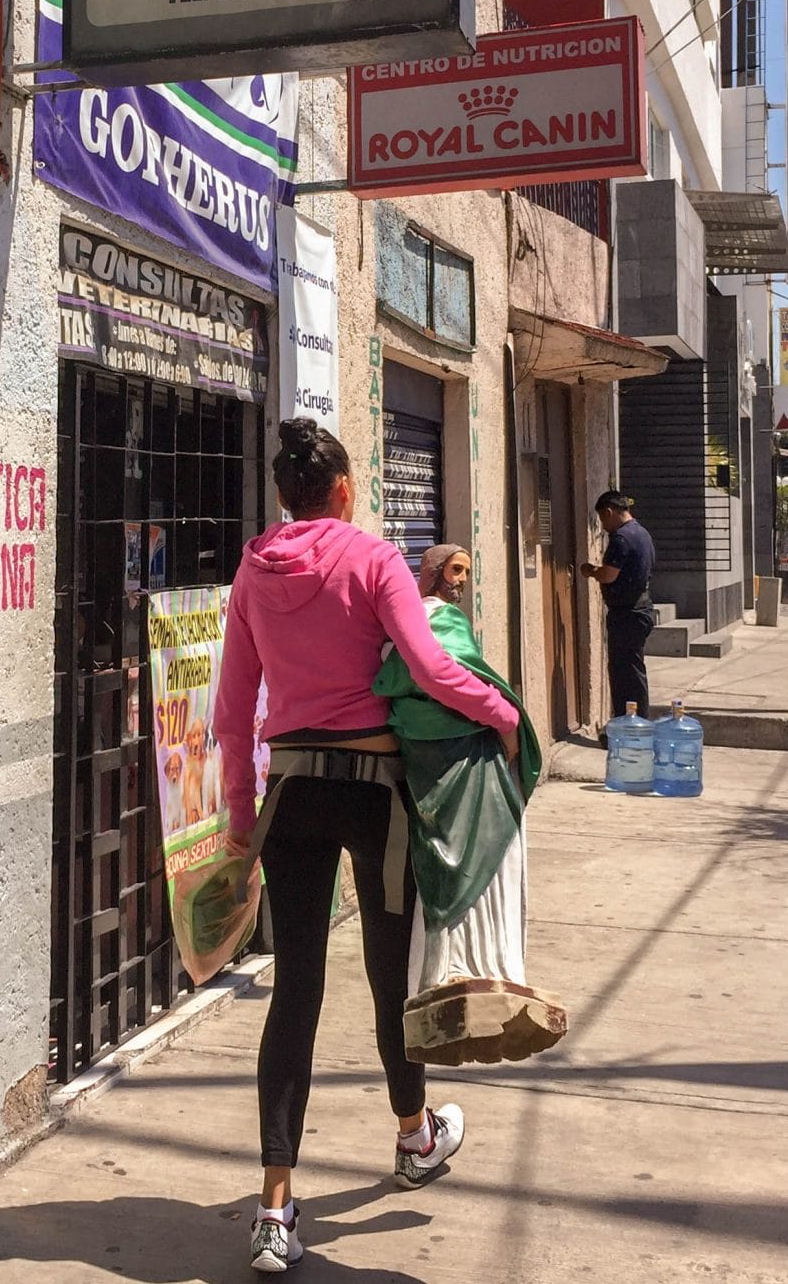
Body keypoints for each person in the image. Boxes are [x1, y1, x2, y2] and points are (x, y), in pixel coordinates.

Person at [214, 420, 519, 1274]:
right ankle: (415, 1137)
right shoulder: (376, 558)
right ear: (343, 489)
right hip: (376, 794)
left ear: (284, 496)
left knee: (296, 991)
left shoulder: (252, 570)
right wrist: (502, 714)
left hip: (293, 793)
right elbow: (427, 666)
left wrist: (243, 814)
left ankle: (275, 1209)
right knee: (394, 974)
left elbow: (234, 708)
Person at [374, 545, 565, 1067]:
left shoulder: (403, 629)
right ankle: (480, 971)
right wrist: (505, 721)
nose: (460, 581)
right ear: (432, 574)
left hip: (431, 760)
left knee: (448, 866)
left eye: (465, 572)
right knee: (489, 859)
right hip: (467, 763)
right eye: (454, 570)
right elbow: (450, 678)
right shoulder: (440, 621)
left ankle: (453, 973)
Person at [579, 490, 656, 718]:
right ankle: (635, 722)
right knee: (633, 670)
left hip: (627, 614)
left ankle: (630, 724)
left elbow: (609, 575)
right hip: (640, 609)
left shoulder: (621, 538)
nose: (603, 526)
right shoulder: (642, 533)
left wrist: (591, 570)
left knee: (624, 674)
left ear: (609, 512)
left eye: (603, 519)